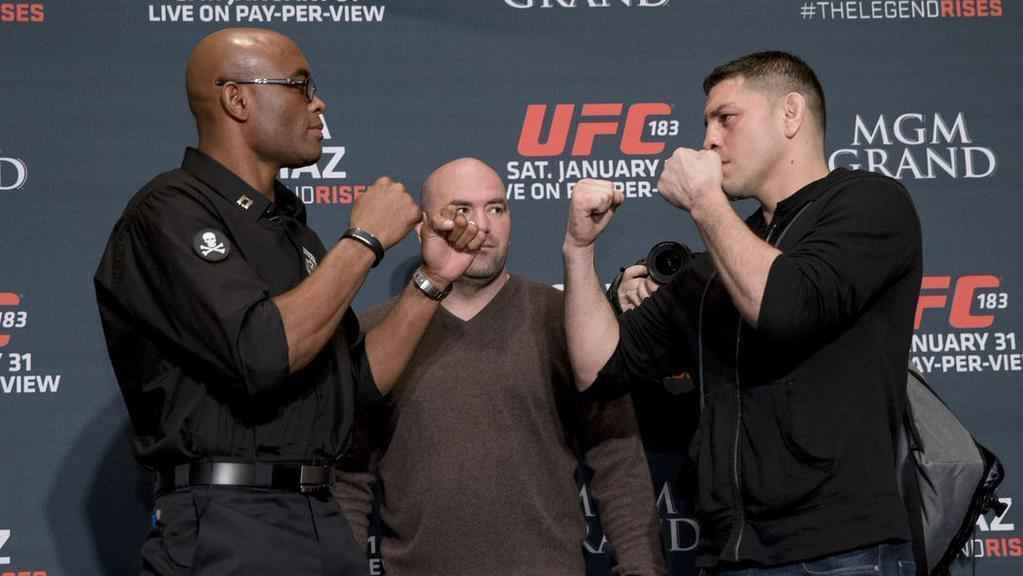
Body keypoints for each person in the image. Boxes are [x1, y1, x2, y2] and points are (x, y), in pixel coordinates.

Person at [94, 28, 484, 575]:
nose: (319, 103)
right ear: (237, 99)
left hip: (319, 515)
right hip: (228, 521)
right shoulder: (168, 213)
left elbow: (356, 385)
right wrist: (364, 242)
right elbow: (263, 352)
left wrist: (432, 279)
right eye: (300, 86)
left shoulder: (291, 231)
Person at [562, 51, 923, 574]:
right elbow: (597, 365)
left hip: (841, 552)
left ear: (791, 114)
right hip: (729, 554)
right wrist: (578, 250)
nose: (709, 139)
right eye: (706, 122)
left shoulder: (870, 205)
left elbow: (782, 307)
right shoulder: (716, 265)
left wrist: (706, 202)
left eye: (726, 118)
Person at [334, 158, 665, 576]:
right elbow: (348, 481)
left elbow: (617, 457)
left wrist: (641, 569)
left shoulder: (568, 319)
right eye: (461, 210)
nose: (483, 226)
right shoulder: (379, 334)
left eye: (496, 209)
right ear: (423, 228)